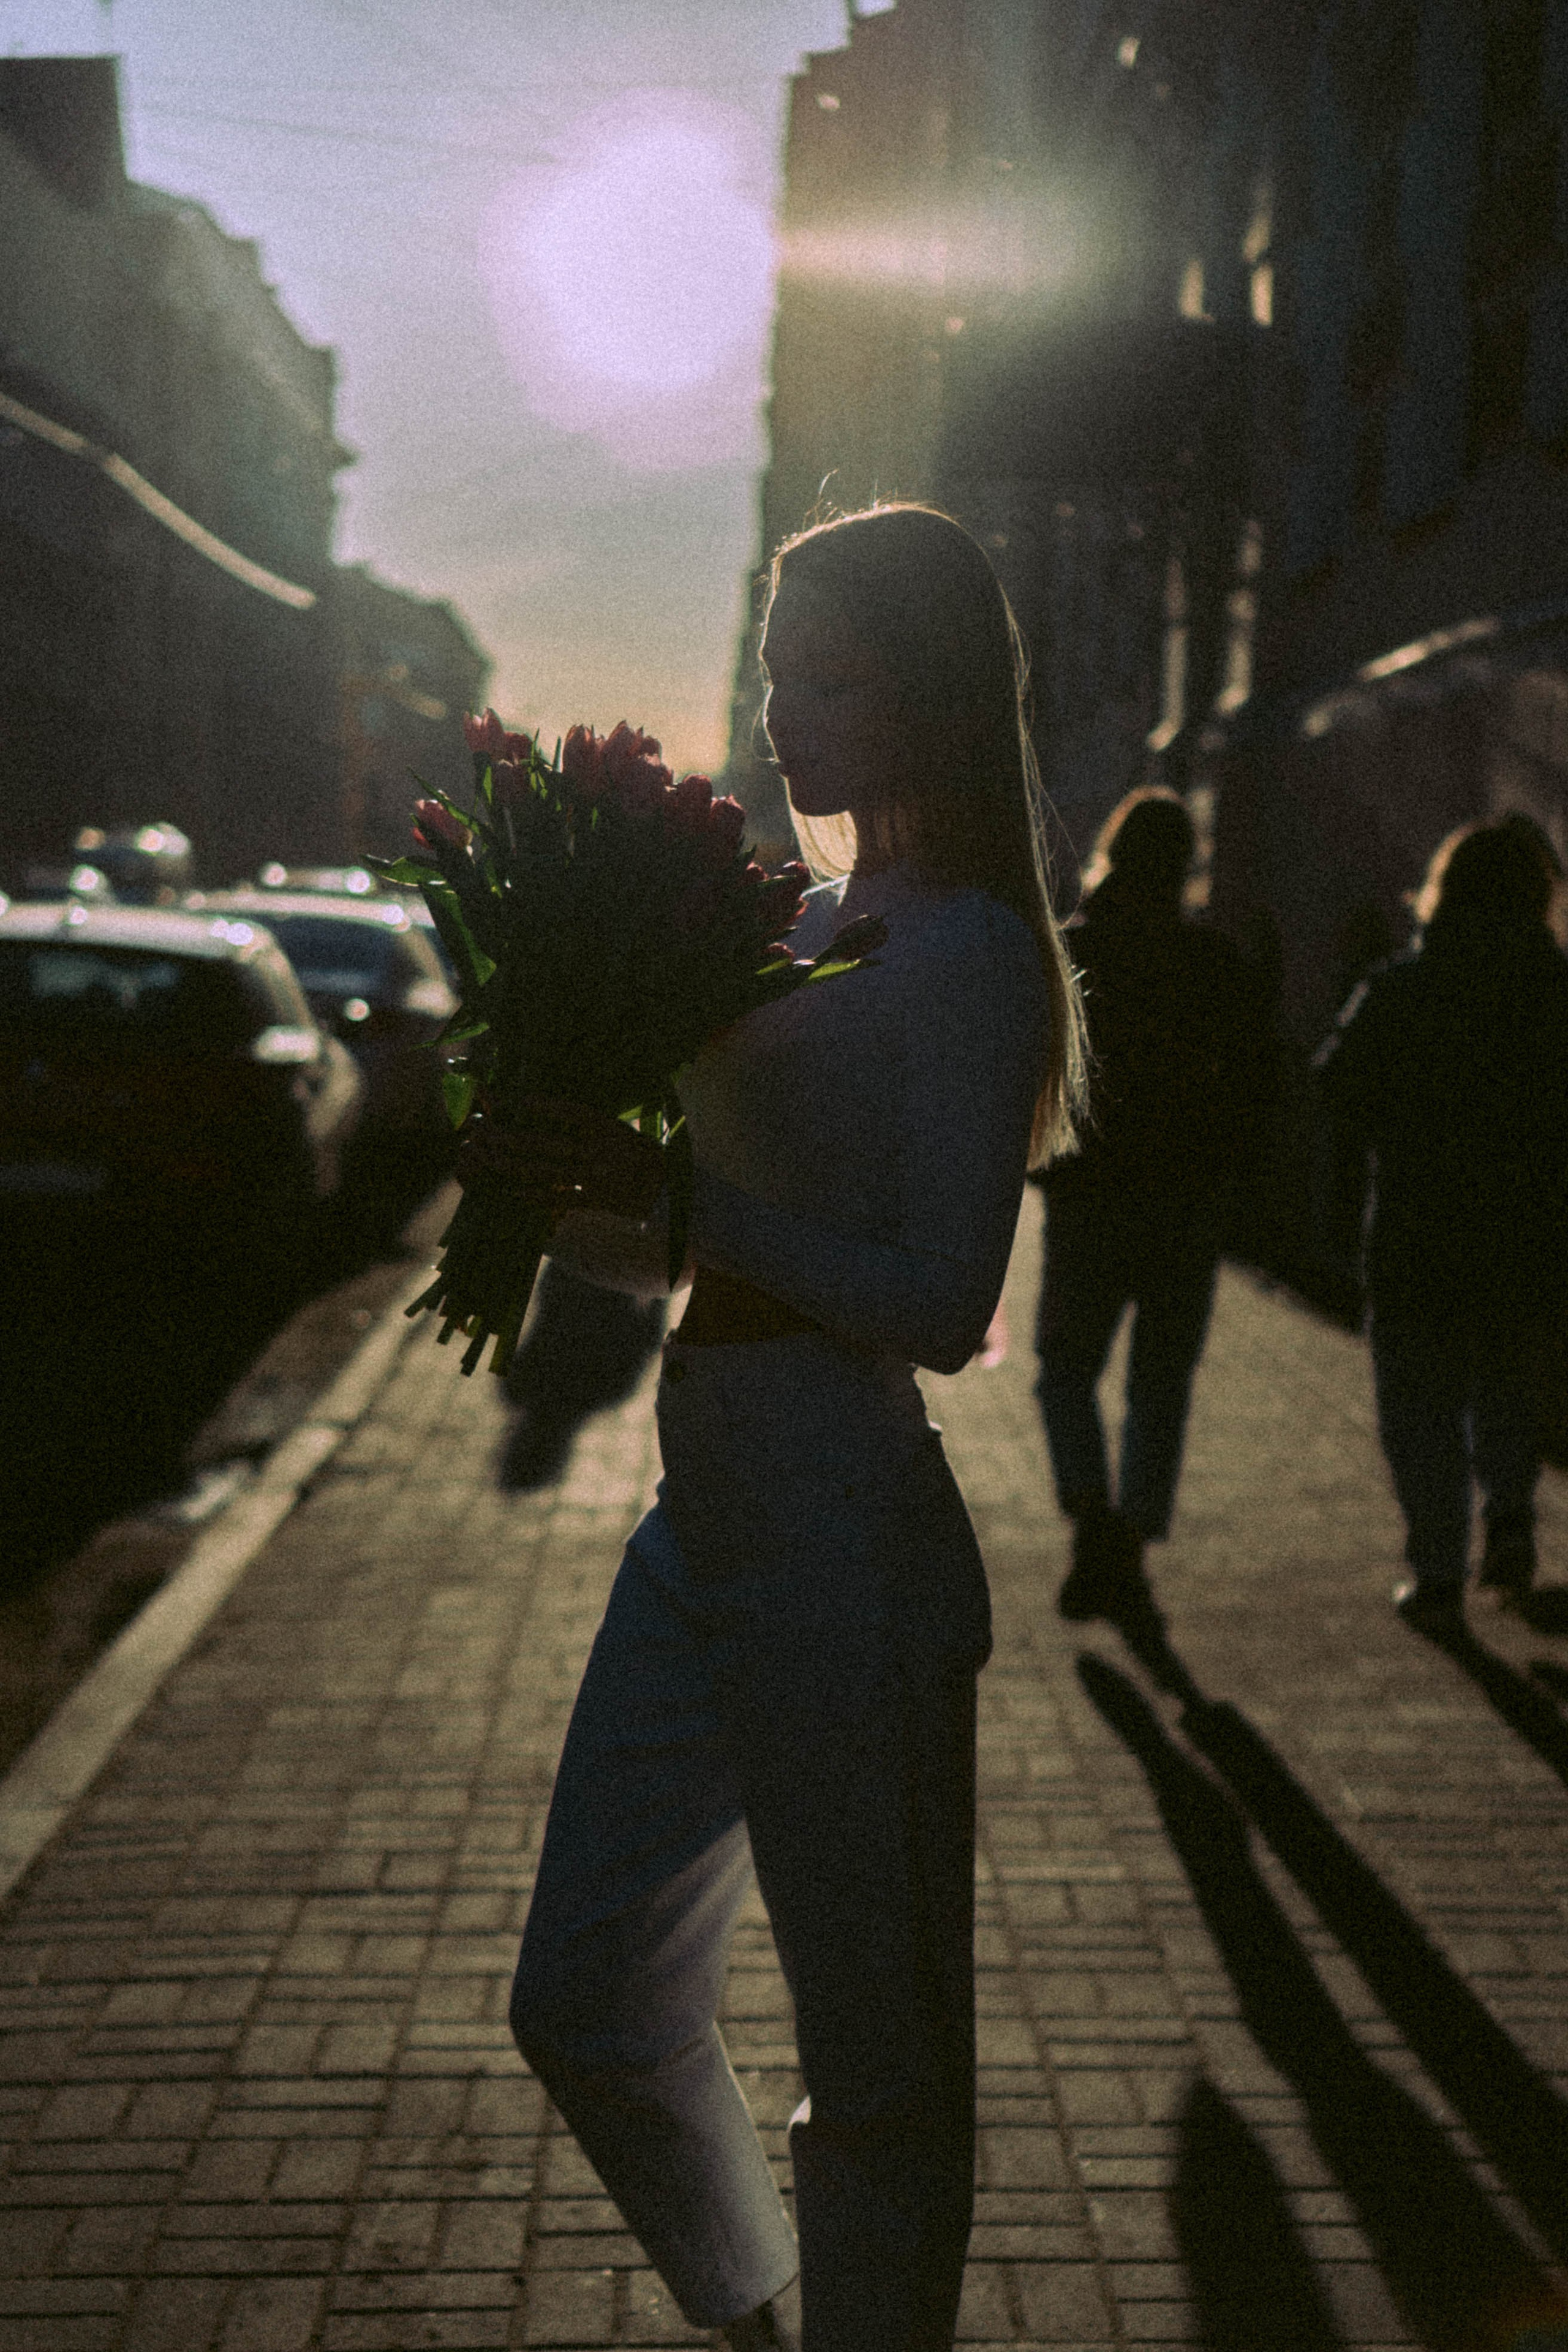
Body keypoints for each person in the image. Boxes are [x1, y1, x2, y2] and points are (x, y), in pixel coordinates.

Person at [465, 503, 1085, 2351]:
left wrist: (679, 1214)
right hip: (711, 1518)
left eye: (833, 674)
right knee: (583, 1996)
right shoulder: (809, 922)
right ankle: (758, 2314)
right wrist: (546, 1176)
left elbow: (946, 1299)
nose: (789, 710)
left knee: (879, 2072)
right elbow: (678, 1249)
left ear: (932, 693)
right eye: (772, 669)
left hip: (845, 1543)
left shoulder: (964, 949)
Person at [1316, 816, 1568, 1632]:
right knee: (1509, 1385)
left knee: (1418, 1406)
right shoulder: (1557, 990)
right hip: (1530, 1233)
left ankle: (1435, 1571)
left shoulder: (1399, 988)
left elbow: (1336, 1091)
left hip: (1418, 1233)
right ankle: (1511, 1521)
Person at [1034, 787, 1274, 1626]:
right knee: (1161, 1381)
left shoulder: (1073, 952)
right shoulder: (1214, 962)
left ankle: (1090, 1511)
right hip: (1186, 1201)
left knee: (1064, 1371)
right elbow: (1257, 1082)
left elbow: (1036, 1074)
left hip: (1089, 1196)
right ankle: (1129, 1536)